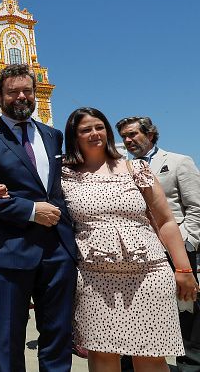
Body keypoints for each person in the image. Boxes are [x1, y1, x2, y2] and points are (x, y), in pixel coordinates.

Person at [60, 107, 195, 371]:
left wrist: (183, 268)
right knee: (103, 355)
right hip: (94, 277)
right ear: (74, 137)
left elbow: (166, 221)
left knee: (150, 356)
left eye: (99, 127)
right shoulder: (63, 174)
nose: (94, 133)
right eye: (85, 129)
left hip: (149, 273)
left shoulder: (136, 168)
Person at [0, 63, 78, 372]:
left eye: (27, 90)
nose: (21, 97)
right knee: (8, 339)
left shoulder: (53, 137)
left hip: (57, 250)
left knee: (57, 336)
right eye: (12, 92)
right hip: (10, 252)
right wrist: (29, 210)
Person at [116, 115, 200, 371]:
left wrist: (187, 244)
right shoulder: (122, 169)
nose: (129, 141)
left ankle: (190, 365)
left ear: (150, 134)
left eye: (133, 134)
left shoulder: (177, 162)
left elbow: (195, 208)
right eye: (124, 137)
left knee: (186, 311)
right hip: (140, 255)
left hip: (177, 252)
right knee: (139, 313)